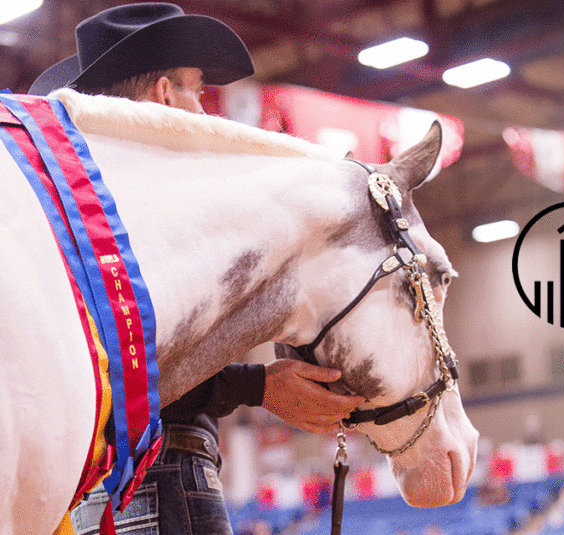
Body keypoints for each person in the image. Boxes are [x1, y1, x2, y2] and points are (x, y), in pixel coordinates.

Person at [31, 4, 365, 534]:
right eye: (197, 91)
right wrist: (259, 387)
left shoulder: (80, 217)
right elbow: (135, 368)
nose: (206, 113)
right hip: (163, 472)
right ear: (165, 95)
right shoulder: (149, 216)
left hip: (99, 485)